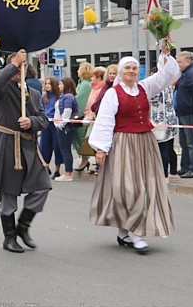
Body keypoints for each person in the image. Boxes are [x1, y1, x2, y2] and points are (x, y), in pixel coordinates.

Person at [88, 40, 179, 254]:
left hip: (145, 143)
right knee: (127, 188)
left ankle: (128, 232)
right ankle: (133, 233)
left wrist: (165, 53)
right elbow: (105, 121)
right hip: (122, 143)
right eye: (127, 68)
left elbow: (166, 76)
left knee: (145, 187)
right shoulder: (113, 93)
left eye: (134, 68)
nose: (131, 71)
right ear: (121, 71)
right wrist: (101, 148)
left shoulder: (144, 87)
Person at [0, 50, 51, 253]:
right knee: (9, 193)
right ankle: (9, 237)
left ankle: (23, 226)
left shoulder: (34, 93)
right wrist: (14, 62)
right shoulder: (0, 89)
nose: (19, 70)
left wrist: (31, 121)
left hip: (28, 146)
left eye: (22, 66)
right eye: (16, 67)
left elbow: (44, 120)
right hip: (6, 144)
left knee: (42, 187)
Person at [148, 67, 179, 180]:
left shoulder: (158, 88)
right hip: (171, 119)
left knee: (162, 149)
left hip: (160, 120)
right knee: (169, 147)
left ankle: (163, 175)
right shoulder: (168, 85)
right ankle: (174, 172)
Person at [174, 51, 193, 178]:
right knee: (184, 142)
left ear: (188, 61)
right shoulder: (185, 74)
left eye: (179, 61)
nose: (178, 64)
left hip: (189, 112)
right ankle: (185, 166)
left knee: (192, 142)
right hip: (183, 112)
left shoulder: (192, 75)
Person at [53, 78, 79, 182]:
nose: (59, 86)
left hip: (64, 128)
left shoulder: (67, 97)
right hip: (62, 126)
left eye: (61, 84)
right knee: (65, 150)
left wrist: (61, 124)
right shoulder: (65, 96)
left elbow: (67, 111)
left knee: (65, 150)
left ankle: (68, 173)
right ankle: (68, 172)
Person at [39, 77, 62, 177]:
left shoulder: (59, 97)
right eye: (46, 83)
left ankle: (57, 169)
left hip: (56, 124)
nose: (47, 85)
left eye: (49, 84)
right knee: (44, 146)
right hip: (46, 124)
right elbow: (40, 109)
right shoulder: (44, 96)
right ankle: (46, 166)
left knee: (57, 146)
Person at [73, 62, 94, 173]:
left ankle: (85, 159)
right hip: (81, 116)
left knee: (82, 138)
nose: (77, 72)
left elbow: (80, 100)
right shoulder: (81, 83)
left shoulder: (85, 85)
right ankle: (84, 159)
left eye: (79, 69)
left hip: (82, 116)